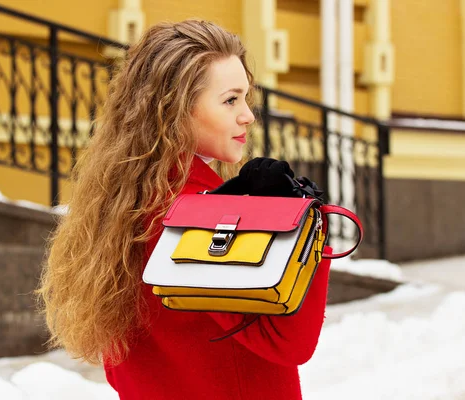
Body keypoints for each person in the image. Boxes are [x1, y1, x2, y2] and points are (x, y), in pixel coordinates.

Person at [37, 20, 332, 400]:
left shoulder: (124, 201)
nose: (248, 115)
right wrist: (308, 227)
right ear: (176, 109)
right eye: (230, 100)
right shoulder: (194, 217)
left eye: (246, 98)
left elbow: (121, 361)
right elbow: (288, 343)